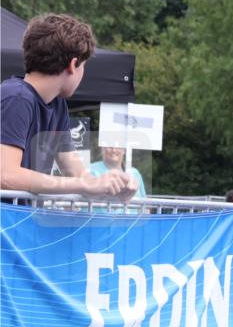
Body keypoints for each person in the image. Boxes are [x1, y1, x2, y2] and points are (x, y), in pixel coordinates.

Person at [1, 14, 135, 199]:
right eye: (84, 66)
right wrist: (85, 184)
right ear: (73, 65)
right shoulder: (16, 98)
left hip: (20, 224)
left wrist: (114, 188)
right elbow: (6, 175)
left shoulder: (58, 105)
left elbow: (78, 175)